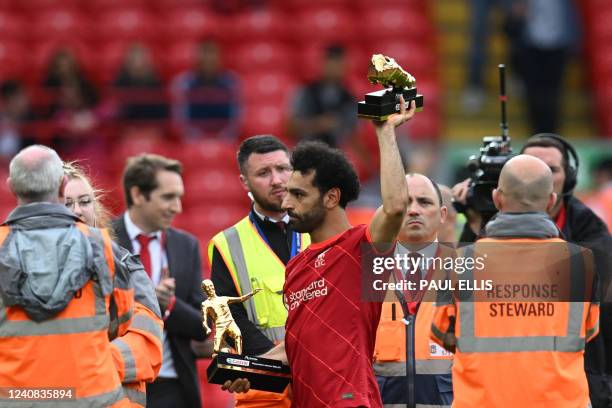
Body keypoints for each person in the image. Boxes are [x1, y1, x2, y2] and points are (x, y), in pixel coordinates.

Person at [225, 98, 417, 407]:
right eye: (288, 193)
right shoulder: (296, 267)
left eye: (298, 195)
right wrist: (247, 368)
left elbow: (395, 208)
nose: (287, 205)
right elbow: (294, 347)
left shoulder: (361, 247)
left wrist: (384, 131)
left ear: (331, 198)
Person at [431, 155, 599, 407]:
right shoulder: (581, 262)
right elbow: (587, 331)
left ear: (497, 198)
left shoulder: (460, 261)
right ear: (551, 200)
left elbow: (441, 332)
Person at [0, 145, 135, 406]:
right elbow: (122, 318)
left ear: (11, 187)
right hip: (90, 397)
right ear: (63, 186)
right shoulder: (101, 245)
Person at [208, 135, 310, 407]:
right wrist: (275, 363)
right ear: (245, 182)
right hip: (268, 387)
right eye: (263, 173)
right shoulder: (227, 244)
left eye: (283, 169)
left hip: (323, 375)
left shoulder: (321, 225)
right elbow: (229, 314)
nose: (277, 180)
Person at [521, 133, 612, 407]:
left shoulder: (591, 228)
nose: (539, 176)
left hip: (578, 375)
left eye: (551, 169)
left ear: (568, 179)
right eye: (530, 167)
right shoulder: (486, 223)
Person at [63, 162, 164, 407]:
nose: (78, 210)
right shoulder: (20, 268)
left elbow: (148, 340)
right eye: (66, 204)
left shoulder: (126, 266)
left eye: (85, 202)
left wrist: (92, 366)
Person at [112, 154, 206, 408]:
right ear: (138, 195)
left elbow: (202, 325)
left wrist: (169, 304)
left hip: (171, 385)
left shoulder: (186, 245)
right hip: (116, 380)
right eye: (168, 197)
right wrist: (144, 298)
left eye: (179, 197)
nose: (177, 207)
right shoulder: (103, 240)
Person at [373, 174, 453, 407]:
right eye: (405, 203)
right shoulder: (365, 272)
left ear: (443, 215)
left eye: (424, 202)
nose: (414, 210)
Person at [288, 44, 357, 148]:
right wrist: (317, 124)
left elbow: (354, 135)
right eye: (331, 62)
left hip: (337, 155)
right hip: (308, 151)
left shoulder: (350, 98)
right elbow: (289, 128)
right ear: (323, 64)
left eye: (338, 62)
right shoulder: (305, 92)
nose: (334, 67)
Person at [171, 40, 241, 140]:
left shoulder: (232, 82)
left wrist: (223, 137)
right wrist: (196, 137)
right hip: (193, 139)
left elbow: (236, 119)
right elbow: (180, 119)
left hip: (225, 139)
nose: (208, 58)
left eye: (212, 53)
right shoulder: (183, 83)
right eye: (205, 53)